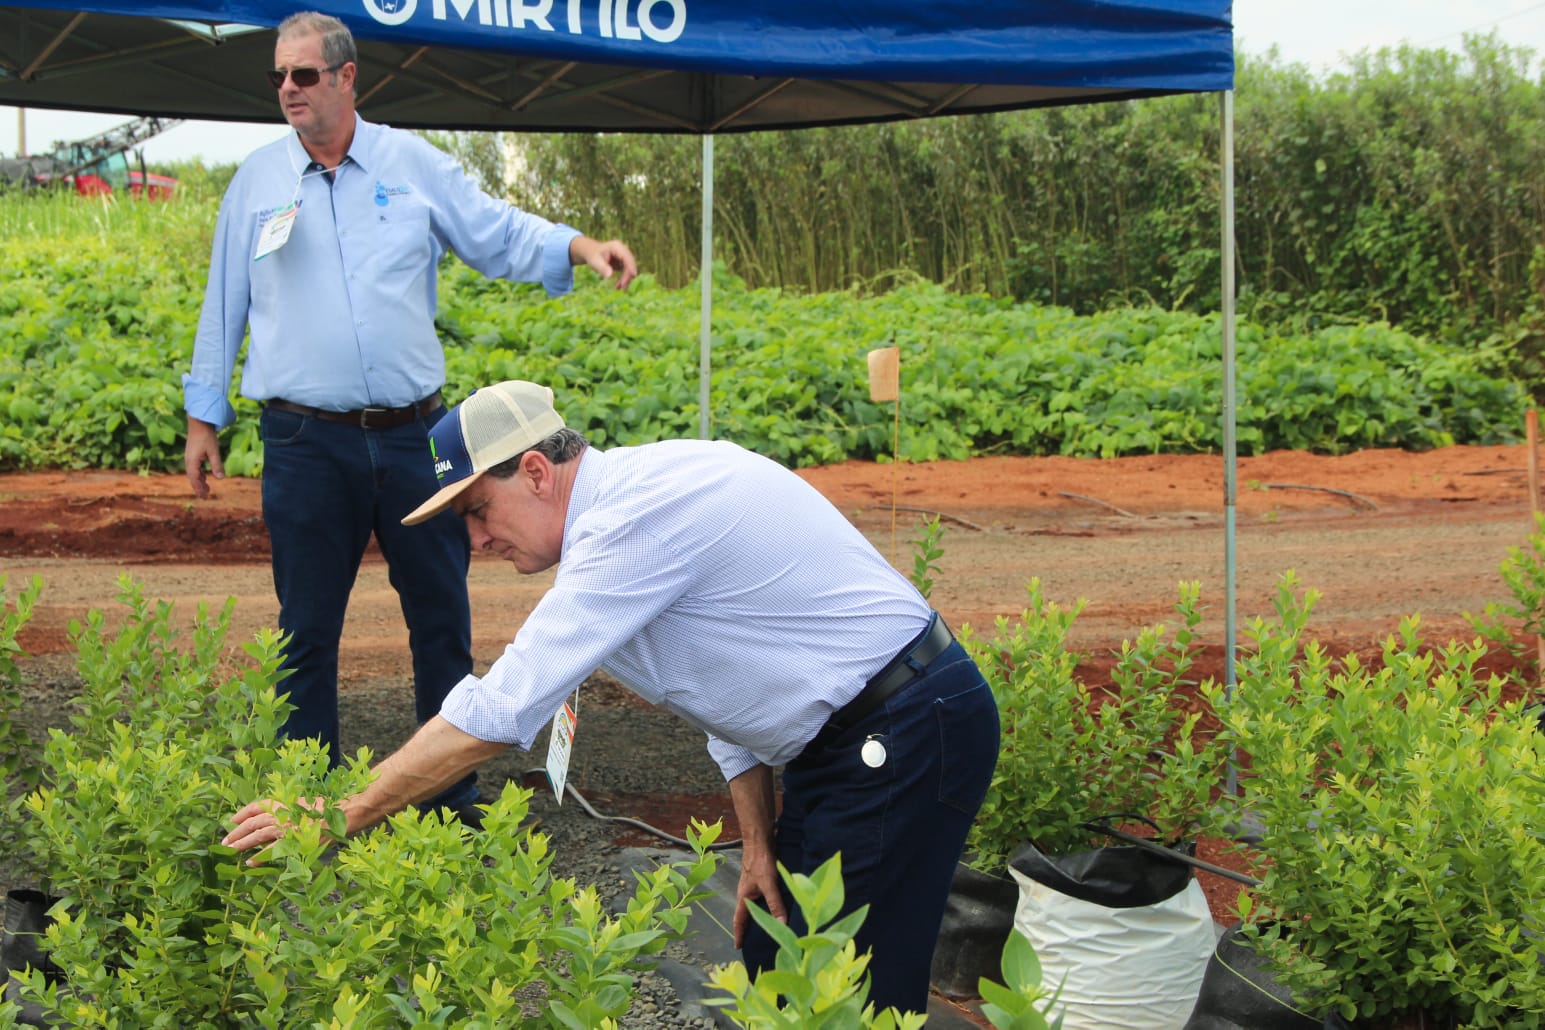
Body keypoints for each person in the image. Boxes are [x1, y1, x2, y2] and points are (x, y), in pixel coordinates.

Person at [224, 379, 1001, 1015]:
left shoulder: (633, 519)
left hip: (905, 727)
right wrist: (759, 844)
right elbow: (724, 706)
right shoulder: (612, 529)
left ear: (533, 471)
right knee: (776, 953)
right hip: (850, 741)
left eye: (475, 511)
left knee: (849, 992)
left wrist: (344, 812)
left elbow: (500, 710)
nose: (475, 541)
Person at [182, 12, 637, 823]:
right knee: (306, 632)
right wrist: (202, 418)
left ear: (347, 77)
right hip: (302, 440)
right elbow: (225, 303)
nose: (287, 89)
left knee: (439, 620)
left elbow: (492, 229)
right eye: (278, 77)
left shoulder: (409, 162)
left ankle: (446, 801)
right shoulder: (256, 181)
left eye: (304, 76)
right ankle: (301, 812)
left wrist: (575, 245)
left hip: (412, 436)